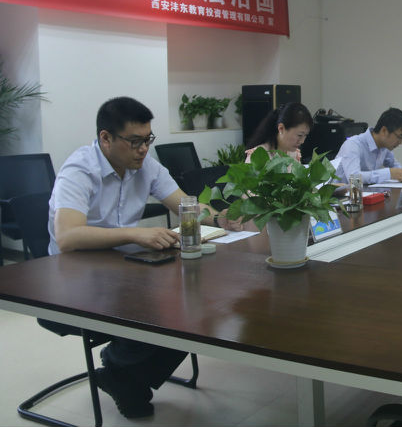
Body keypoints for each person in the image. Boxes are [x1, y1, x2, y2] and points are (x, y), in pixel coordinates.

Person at [48, 96, 238, 419]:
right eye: (135, 141)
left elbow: (185, 205)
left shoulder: (145, 166)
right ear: (105, 138)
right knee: (169, 307)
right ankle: (124, 370)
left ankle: (121, 370)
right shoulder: (80, 170)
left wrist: (221, 218)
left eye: (148, 140)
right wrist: (135, 234)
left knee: (199, 303)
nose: (143, 150)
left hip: (125, 268)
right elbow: (67, 236)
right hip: (75, 277)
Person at [335, 107, 402, 184]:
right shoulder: (353, 144)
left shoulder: (384, 148)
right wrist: (388, 173)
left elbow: (396, 167)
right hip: (338, 191)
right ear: (384, 131)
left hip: (363, 191)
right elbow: (354, 179)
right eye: (400, 137)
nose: (401, 142)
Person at [245, 102, 312, 163]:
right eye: (299, 135)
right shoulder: (257, 156)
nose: (302, 141)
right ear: (281, 128)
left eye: (305, 135)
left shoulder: (294, 154)